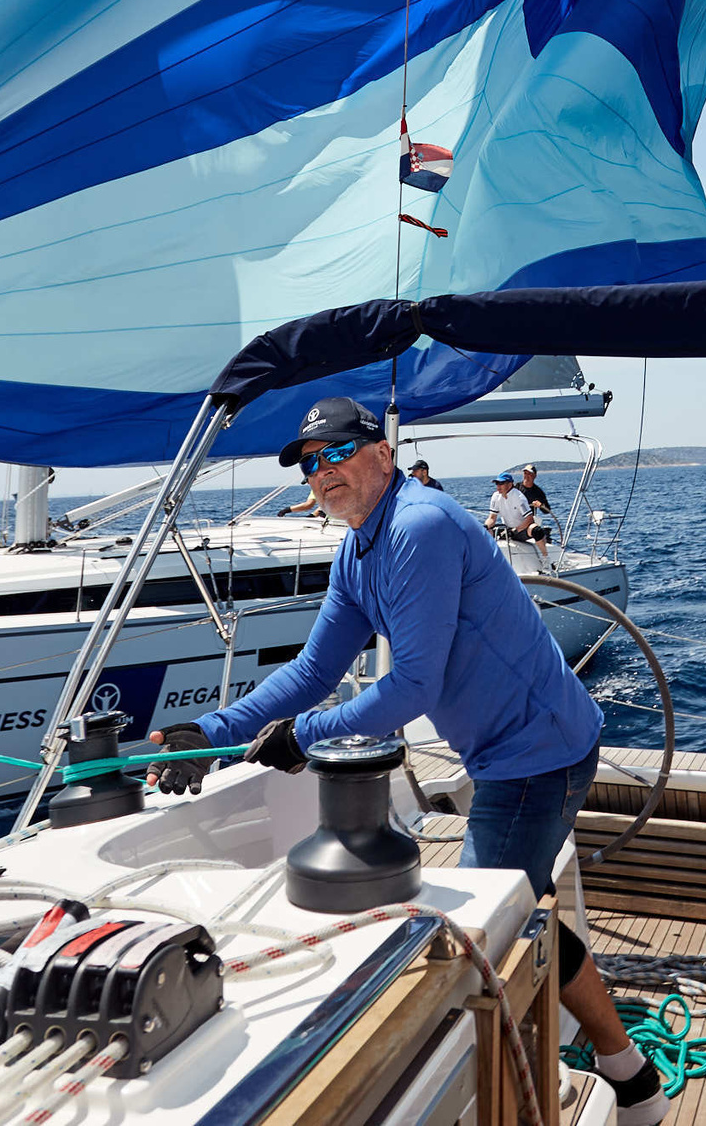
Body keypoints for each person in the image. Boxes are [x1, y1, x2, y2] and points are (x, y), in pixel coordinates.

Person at [148, 397, 670, 1126]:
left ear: (383, 454)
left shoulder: (418, 525)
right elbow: (312, 670)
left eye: (336, 452)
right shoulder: (359, 549)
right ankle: (629, 1073)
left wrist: (304, 736)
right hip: (508, 754)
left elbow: (412, 684)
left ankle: (572, 1090)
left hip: (536, 754)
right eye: (309, 461)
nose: (321, 471)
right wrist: (210, 730)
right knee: (522, 916)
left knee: (485, 936)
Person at [485, 472, 549, 561]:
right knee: (485, 531)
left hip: (522, 529)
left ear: (510, 484)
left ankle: (546, 559)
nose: (498, 486)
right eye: (497, 483)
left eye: (501, 483)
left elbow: (529, 518)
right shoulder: (495, 497)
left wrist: (516, 530)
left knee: (536, 530)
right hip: (507, 530)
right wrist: (485, 526)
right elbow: (492, 518)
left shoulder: (519, 497)